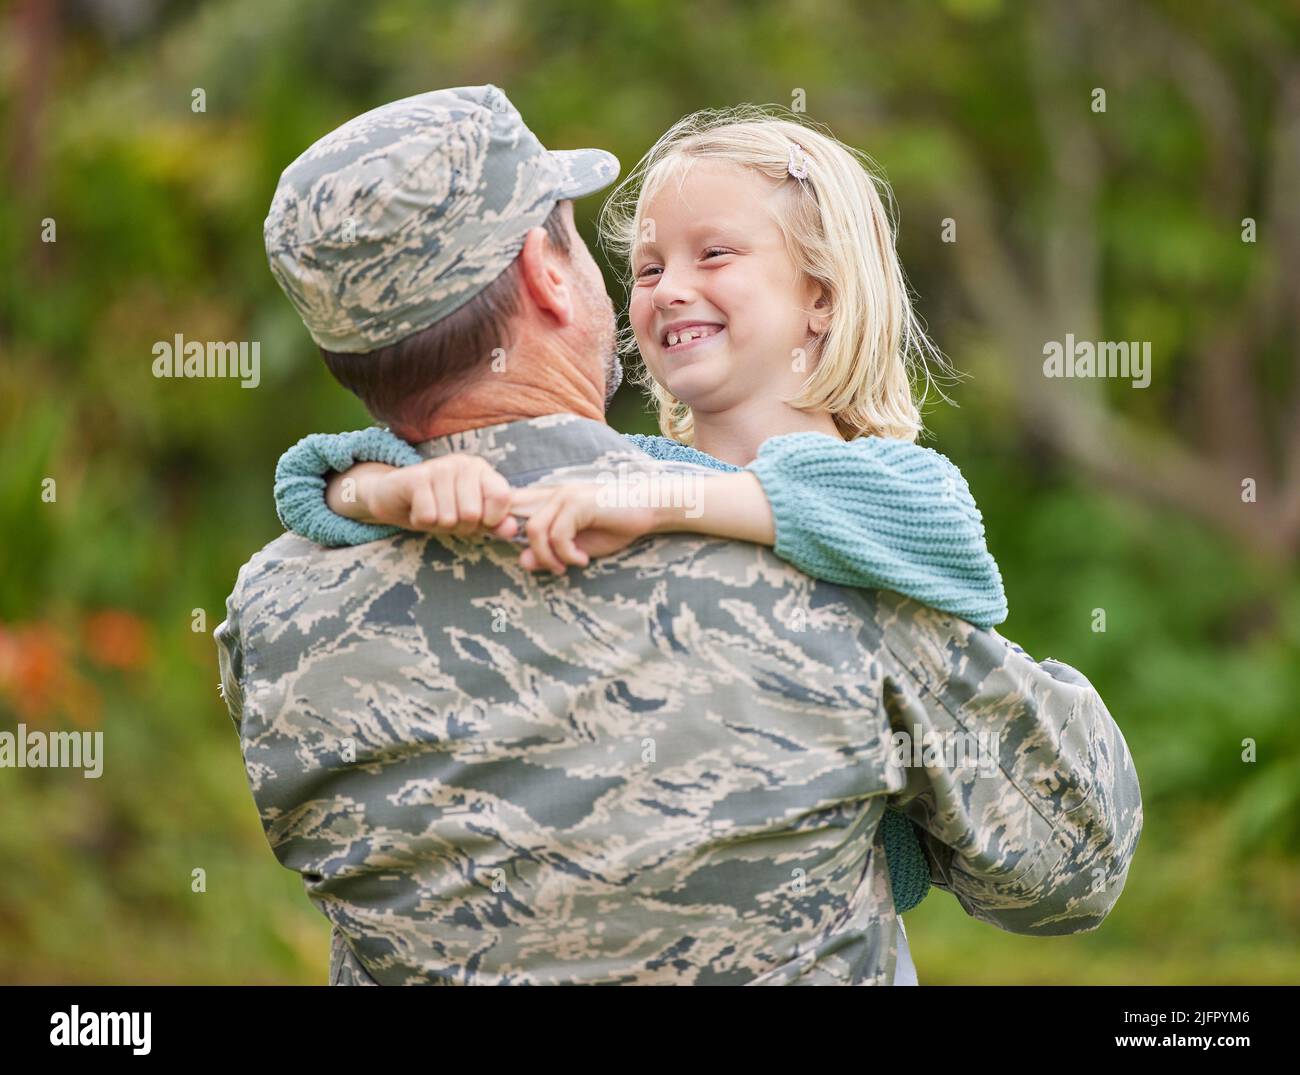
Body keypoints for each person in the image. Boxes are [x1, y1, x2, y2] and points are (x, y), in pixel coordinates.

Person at [217, 84, 1143, 986]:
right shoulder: (825, 584)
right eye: (639, 263)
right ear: (546, 274)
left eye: (714, 256)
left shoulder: (272, 618)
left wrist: (381, 492)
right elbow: (1072, 862)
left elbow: (311, 480)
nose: (663, 289)